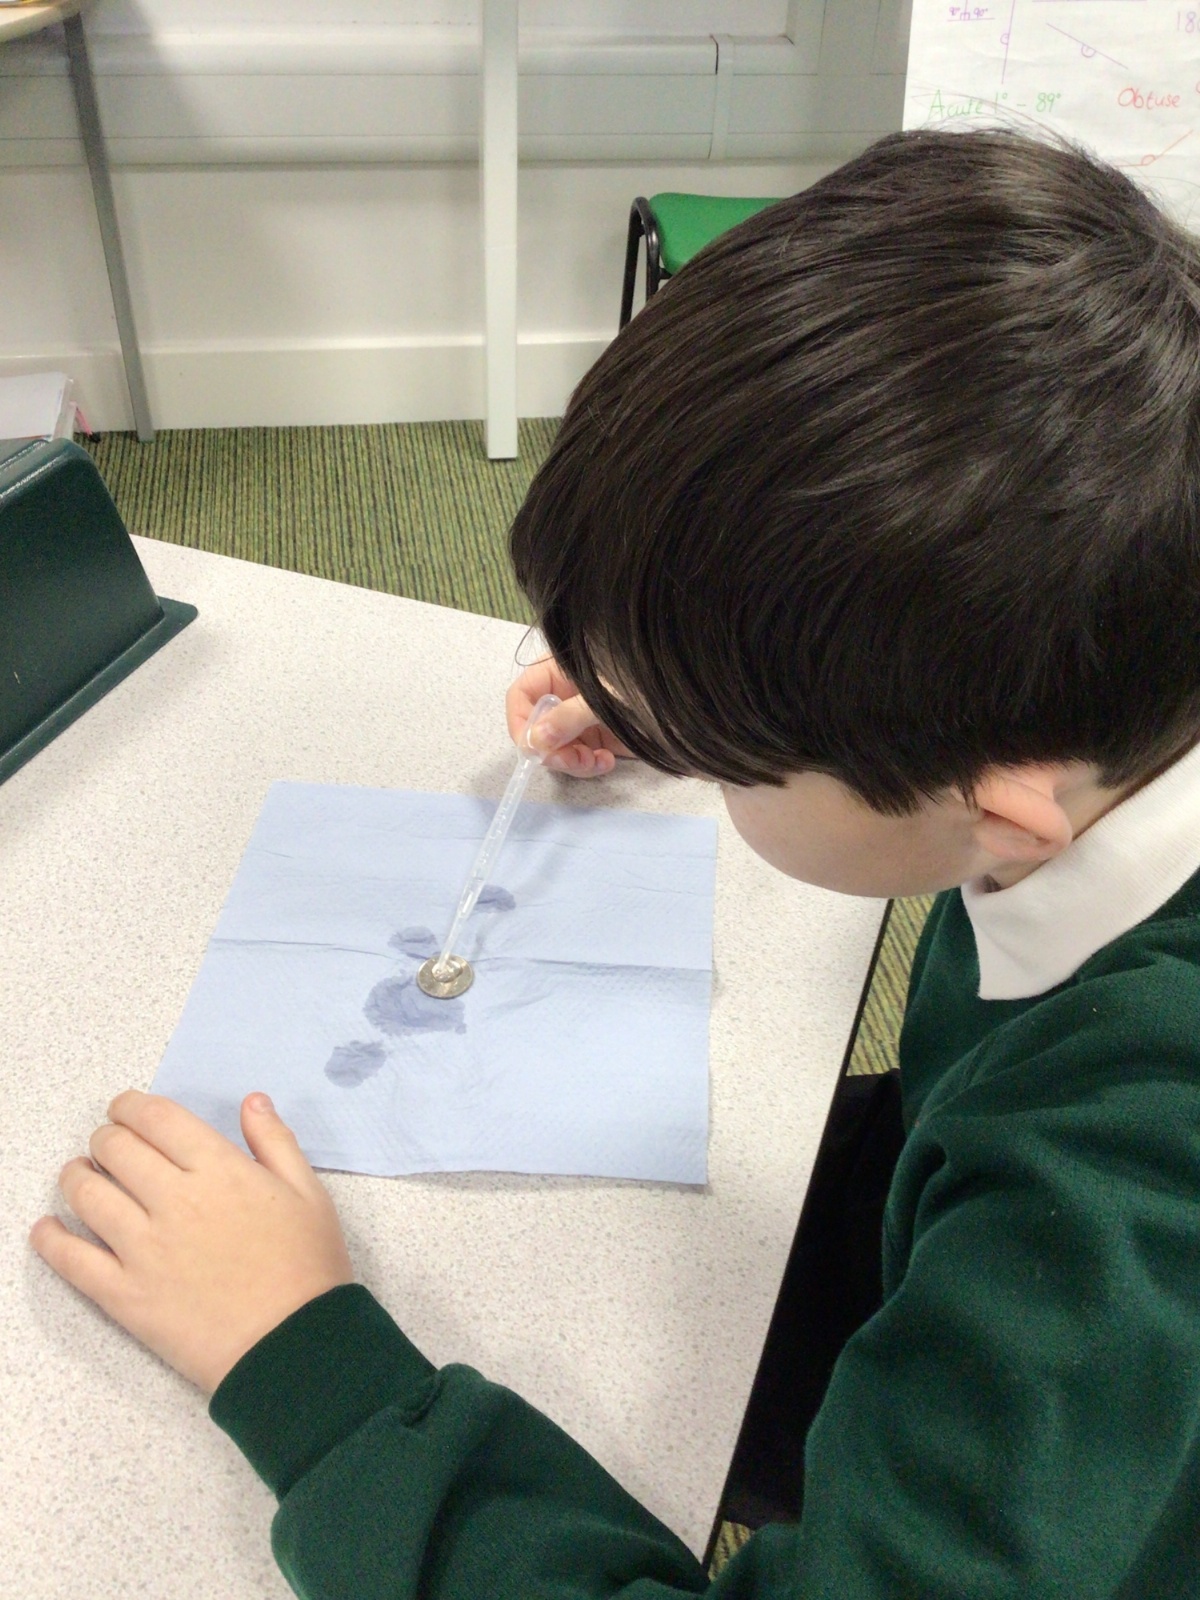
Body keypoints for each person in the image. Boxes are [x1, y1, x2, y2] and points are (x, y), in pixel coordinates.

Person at [29, 127, 1200, 1597]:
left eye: (729, 756)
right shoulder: (1124, 676)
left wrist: (302, 1368)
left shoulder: (1114, 1207)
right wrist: (686, 685)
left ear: (1003, 816)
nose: (688, 751)